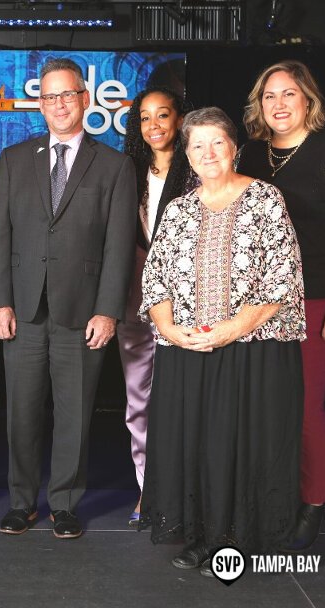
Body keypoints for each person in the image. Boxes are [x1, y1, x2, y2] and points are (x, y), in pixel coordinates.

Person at [139, 107, 305, 576]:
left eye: (217, 143)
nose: (208, 153)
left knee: (242, 443)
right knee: (195, 443)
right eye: (197, 145)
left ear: (234, 148)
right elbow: (156, 282)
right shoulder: (178, 209)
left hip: (252, 350)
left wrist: (232, 329)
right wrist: (171, 331)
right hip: (187, 350)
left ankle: (236, 540)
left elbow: (283, 278)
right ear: (187, 154)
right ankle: (201, 536)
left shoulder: (265, 199)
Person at [0, 58, 137, 539]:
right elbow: (1, 236)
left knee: (75, 413)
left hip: (82, 310)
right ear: (40, 103)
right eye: (49, 97)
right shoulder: (13, 159)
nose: (59, 105)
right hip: (23, 309)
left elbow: (118, 246)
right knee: (22, 412)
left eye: (67, 95)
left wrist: (108, 310)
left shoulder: (115, 165)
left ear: (85, 100)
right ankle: (21, 501)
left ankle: (65, 504)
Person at [236, 60, 325, 551]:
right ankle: (269, 498)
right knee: (263, 407)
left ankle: (312, 502)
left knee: (306, 405)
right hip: (255, 304)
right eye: (269, 95)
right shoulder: (248, 153)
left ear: (308, 100)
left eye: (288, 94)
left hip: (316, 299)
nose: (278, 104)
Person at [118, 86, 195, 527]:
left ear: (179, 119)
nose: (154, 126)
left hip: (186, 305)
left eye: (163, 115)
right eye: (145, 118)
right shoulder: (125, 171)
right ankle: (148, 490)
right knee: (138, 401)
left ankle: (182, 491)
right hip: (132, 298)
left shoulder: (197, 170)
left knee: (181, 399)